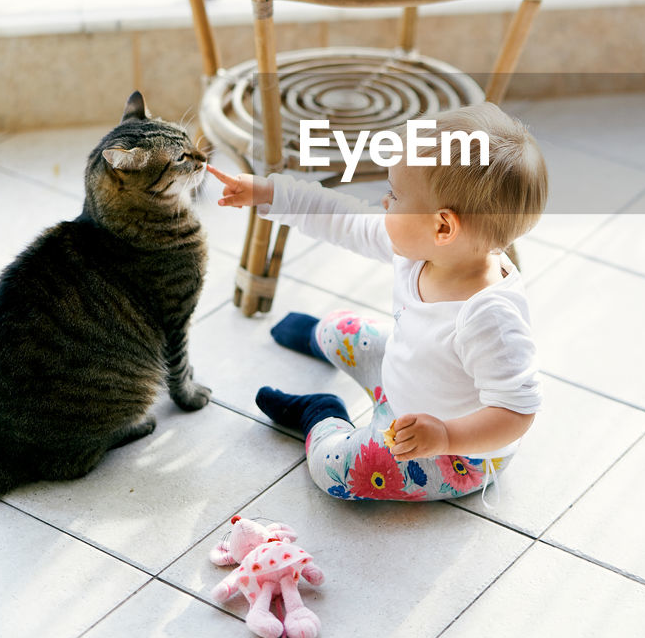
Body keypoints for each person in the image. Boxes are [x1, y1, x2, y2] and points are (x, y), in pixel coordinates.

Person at [207, 102, 548, 504]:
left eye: (395, 194)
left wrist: (445, 436)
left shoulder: (489, 318)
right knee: (343, 327)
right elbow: (342, 217)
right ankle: (322, 338)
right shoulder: (423, 249)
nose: (384, 203)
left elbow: (516, 412)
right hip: (404, 373)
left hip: (442, 451)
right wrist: (269, 193)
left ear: (442, 225)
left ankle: (321, 413)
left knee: (334, 470)